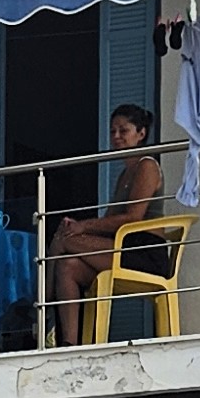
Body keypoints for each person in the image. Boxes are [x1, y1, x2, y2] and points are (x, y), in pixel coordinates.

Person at [47, 103, 166, 345]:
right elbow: (108, 220)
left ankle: (42, 305)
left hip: (144, 251)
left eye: (124, 130)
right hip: (122, 246)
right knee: (67, 265)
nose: (116, 136)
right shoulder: (124, 174)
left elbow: (133, 217)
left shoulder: (147, 165)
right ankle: (68, 343)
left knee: (64, 240)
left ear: (141, 133)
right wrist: (78, 226)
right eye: (113, 131)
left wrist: (83, 228)